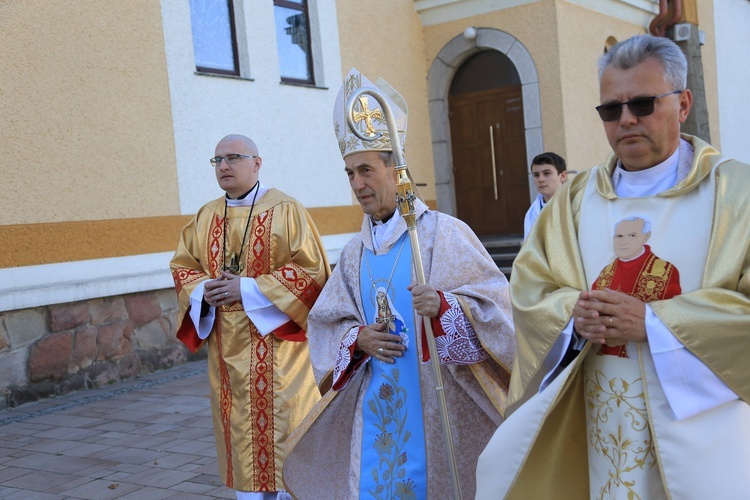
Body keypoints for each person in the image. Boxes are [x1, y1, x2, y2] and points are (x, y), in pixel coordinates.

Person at [477, 34, 750, 499]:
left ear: (683, 104)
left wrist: (656, 323)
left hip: (703, 431)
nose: (626, 120)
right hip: (598, 420)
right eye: (610, 109)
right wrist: (571, 314)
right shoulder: (574, 201)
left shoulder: (736, 195)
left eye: (643, 104)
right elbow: (530, 289)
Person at [282, 68, 516, 499]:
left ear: (396, 170)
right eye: (350, 173)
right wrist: (358, 338)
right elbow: (326, 323)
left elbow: (497, 309)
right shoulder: (354, 253)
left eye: (366, 170)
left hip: (437, 401)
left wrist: (447, 308)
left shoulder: (442, 234)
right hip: (376, 404)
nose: (357, 184)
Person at [170, 134, 330, 500]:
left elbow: (312, 273)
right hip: (228, 357)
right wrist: (203, 290)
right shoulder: (206, 215)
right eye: (217, 161)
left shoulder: (287, 210)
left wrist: (247, 289)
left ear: (257, 164)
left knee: (287, 439)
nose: (224, 166)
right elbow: (183, 266)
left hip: (279, 356)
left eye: (233, 158)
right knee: (241, 441)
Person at [523, 152, 567, 240]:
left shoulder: (574, 205)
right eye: (536, 175)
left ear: (562, 176)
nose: (540, 179)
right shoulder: (532, 213)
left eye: (547, 173)